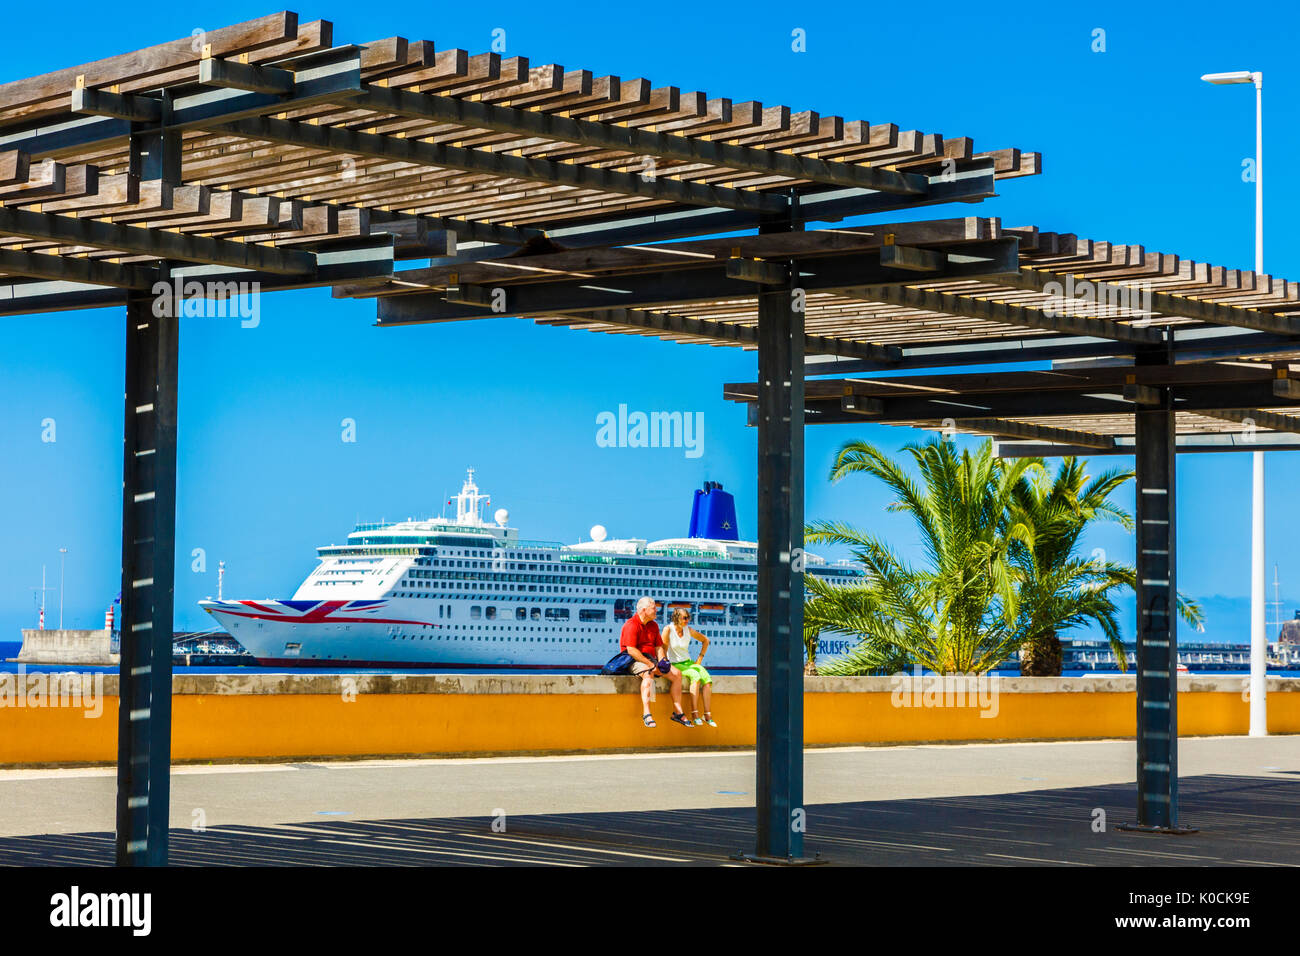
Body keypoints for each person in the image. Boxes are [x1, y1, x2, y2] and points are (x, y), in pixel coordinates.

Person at [619, 596, 691, 728]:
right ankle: (647, 713)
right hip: (634, 660)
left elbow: (658, 647)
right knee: (648, 674)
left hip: (651, 660)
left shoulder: (653, 625)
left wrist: (663, 663)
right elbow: (631, 650)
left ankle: (677, 712)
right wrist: (651, 665)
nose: (657, 611)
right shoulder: (631, 624)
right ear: (644, 610)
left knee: (677, 674)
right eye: (654, 609)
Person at [662, 607, 716, 726]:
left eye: (688, 618)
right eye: (685, 618)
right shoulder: (668, 630)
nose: (688, 620)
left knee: (706, 678)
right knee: (695, 675)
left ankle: (707, 714)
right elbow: (663, 649)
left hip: (688, 663)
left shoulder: (688, 630)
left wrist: (699, 659)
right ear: (677, 618)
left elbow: (706, 640)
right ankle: (695, 714)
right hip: (675, 664)